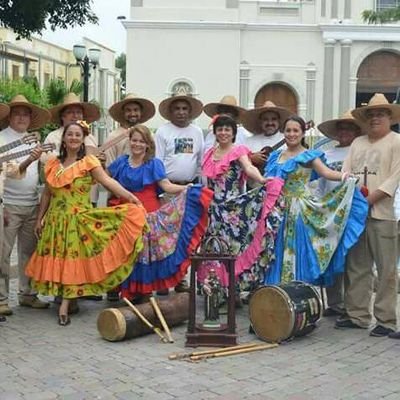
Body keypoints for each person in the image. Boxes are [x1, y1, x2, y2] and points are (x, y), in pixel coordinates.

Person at [25, 121, 147, 326]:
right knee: (61, 260)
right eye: (70, 134)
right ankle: (66, 300)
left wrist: (130, 197)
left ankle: (65, 306)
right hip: (56, 222)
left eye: (77, 135)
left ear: (83, 139)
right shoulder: (53, 164)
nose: (73, 138)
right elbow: (47, 193)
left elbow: (109, 182)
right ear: (64, 138)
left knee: (73, 259)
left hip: (78, 221)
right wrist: (40, 218)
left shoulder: (89, 162)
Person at [107, 124, 211, 302]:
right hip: (124, 215)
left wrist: (187, 188)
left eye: (142, 141)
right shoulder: (120, 163)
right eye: (134, 140)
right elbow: (106, 181)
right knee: (124, 252)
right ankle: (123, 288)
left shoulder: (154, 164)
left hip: (147, 213)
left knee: (144, 252)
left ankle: (142, 290)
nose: (137, 144)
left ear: (148, 144)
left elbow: (166, 186)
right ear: (129, 141)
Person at [264, 116, 368, 288]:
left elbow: (326, 173)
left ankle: (296, 292)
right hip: (276, 211)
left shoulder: (308, 155)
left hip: (299, 210)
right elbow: (267, 180)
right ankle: (276, 294)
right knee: (276, 250)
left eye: (295, 130)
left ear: (303, 133)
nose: (291, 134)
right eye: (288, 130)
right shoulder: (276, 156)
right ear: (283, 133)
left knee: (297, 249)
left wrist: (345, 177)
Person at [333, 93, 400, 338]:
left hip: (383, 214)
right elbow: (346, 172)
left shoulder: (397, 142)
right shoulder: (358, 143)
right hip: (356, 215)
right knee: (357, 266)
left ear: (390, 117)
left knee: (386, 269)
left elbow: (393, 179)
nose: (375, 118)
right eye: (371, 114)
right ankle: (357, 314)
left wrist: (366, 201)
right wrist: (354, 200)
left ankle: (386, 319)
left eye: (380, 114)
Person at [198, 115, 284, 294]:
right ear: (214, 132)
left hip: (233, 209)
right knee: (215, 248)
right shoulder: (209, 155)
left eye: (227, 130)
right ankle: (217, 290)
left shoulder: (238, 151)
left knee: (233, 248)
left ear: (233, 133)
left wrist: (261, 179)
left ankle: (234, 291)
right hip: (214, 210)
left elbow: (249, 168)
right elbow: (206, 183)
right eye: (220, 129)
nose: (223, 133)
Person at [0, 95, 51, 316]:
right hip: (8, 205)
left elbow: (48, 165)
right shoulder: (1, 139)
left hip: (32, 203)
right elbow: (11, 171)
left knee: (29, 252)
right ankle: (1, 299)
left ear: (31, 118)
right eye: (17, 113)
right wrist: (29, 159)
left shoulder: (33, 140)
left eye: (25, 114)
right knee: (3, 254)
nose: (21, 117)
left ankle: (27, 293)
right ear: (9, 116)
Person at [155, 95, 205, 293]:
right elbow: (158, 162)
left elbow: (200, 161)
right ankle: (163, 280)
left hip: (190, 190)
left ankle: (180, 279)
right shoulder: (162, 131)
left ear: (190, 111)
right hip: (167, 190)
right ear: (171, 111)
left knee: (184, 236)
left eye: (185, 108)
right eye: (177, 108)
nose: (181, 112)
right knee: (165, 236)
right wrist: (160, 188)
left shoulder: (197, 132)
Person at [317, 110, 364, 317]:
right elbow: (321, 183)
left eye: (349, 128)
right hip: (329, 213)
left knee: (351, 258)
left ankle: (351, 304)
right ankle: (334, 302)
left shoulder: (359, 151)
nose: (344, 132)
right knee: (330, 255)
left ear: (356, 131)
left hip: (351, 211)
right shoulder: (327, 155)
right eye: (341, 128)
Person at [43, 92, 100, 162]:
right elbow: (45, 160)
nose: (75, 116)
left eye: (78, 112)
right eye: (70, 112)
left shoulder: (90, 137)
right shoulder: (53, 137)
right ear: (62, 116)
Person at [104, 93, 156, 166]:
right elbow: (109, 166)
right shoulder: (113, 137)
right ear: (123, 113)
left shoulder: (149, 135)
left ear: (140, 112)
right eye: (128, 110)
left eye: (136, 110)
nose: (132, 113)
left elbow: (152, 159)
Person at [243, 101, 291, 174]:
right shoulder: (249, 141)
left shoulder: (288, 140)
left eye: (273, 119)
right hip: (254, 184)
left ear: (279, 121)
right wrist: (251, 158)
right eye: (265, 119)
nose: (270, 123)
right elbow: (239, 162)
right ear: (260, 122)